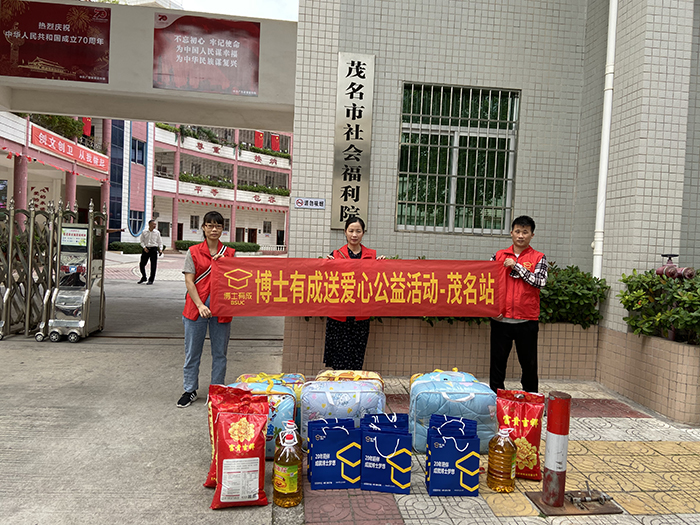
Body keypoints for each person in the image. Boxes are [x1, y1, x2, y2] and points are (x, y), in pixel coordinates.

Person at [177, 211, 235, 408]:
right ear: (203, 227)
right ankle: (189, 389)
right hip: (195, 309)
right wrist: (200, 305)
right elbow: (189, 281)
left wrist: (224, 264)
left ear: (222, 229)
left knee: (220, 353)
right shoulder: (193, 252)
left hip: (221, 310)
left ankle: (216, 390)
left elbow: (237, 280)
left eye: (217, 226)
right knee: (192, 352)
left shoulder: (230, 253)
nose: (213, 229)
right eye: (209, 225)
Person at [489, 215, 548, 394]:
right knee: (497, 364)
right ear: (511, 233)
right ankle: (495, 399)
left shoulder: (539, 257)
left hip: (526, 320)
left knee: (529, 365)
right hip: (501, 320)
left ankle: (531, 400)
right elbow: (488, 284)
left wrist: (517, 267)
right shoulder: (498, 256)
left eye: (525, 232)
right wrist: (492, 309)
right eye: (517, 231)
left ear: (532, 235)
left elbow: (540, 282)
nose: (521, 235)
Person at [324, 217, 385, 370]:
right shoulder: (336, 255)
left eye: (358, 231)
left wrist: (383, 266)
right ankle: (340, 384)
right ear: (345, 232)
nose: (354, 234)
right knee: (338, 359)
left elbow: (376, 282)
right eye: (351, 231)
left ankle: (353, 384)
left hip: (360, 314)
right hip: (339, 314)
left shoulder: (372, 256)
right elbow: (326, 282)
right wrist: (326, 266)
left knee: (356, 356)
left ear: (363, 233)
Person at [138, 220, 163, 285]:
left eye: (155, 224)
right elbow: (141, 241)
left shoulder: (157, 232)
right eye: (153, 224)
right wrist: (144, 247)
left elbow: (160, 242)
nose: (154, 226)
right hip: (146, 249)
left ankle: (151, 280)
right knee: (142, 264)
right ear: (149, 224)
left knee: (153, 265)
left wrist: (160, 249)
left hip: (154, 249)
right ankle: (144, 277)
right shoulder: (144, 232)